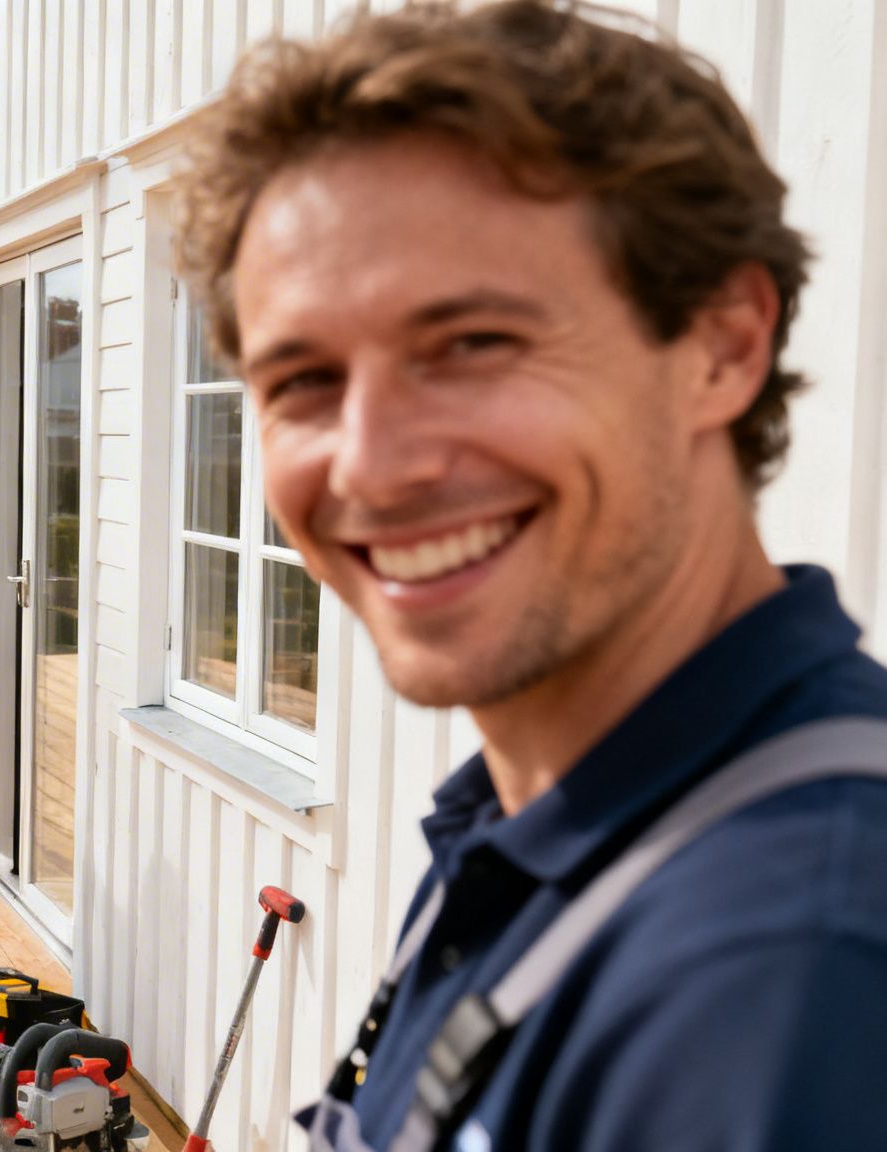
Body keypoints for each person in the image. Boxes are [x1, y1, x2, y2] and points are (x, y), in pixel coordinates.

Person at [174, 2, 887, 1148]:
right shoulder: (539, 817)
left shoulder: (778, 986)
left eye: (469, 344)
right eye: (301, 377)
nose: (370, 466)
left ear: (721, 344)